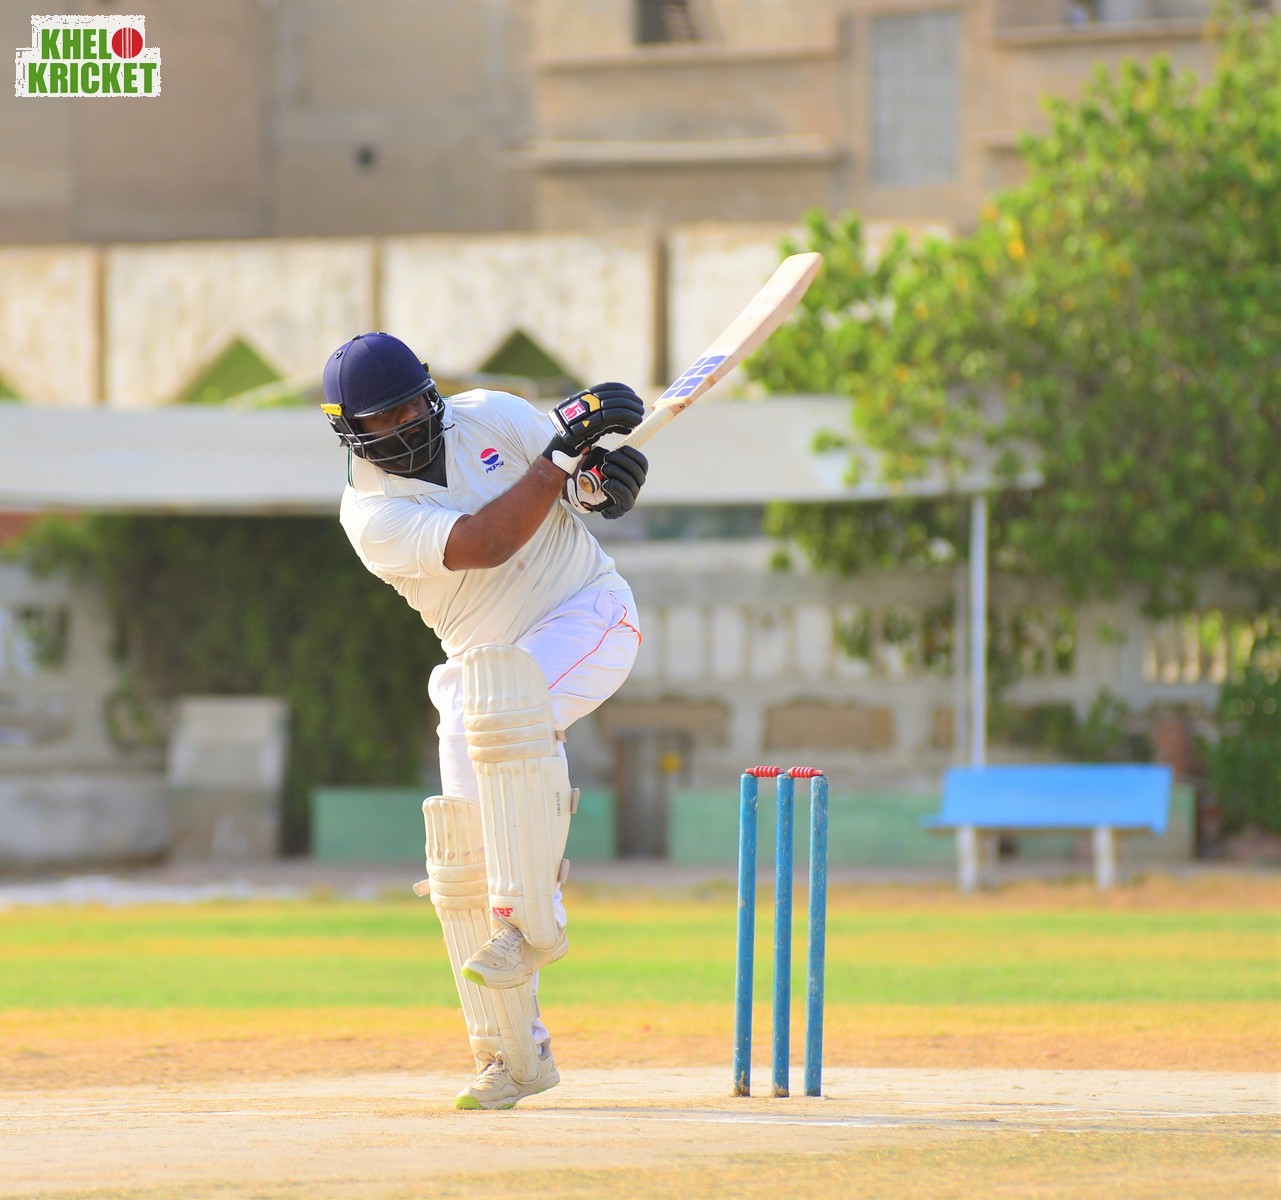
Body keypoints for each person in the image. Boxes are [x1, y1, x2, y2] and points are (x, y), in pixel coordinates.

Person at [320, 331, 649, 1110]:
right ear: (349, 431)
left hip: (587, 614)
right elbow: (485, 541)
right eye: (381, 418)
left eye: (410, 406)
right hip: (479, 667)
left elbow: (573, 488)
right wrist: (560, 457)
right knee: (460, 864)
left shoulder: (493, 414)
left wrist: (601, 485)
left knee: (509, 711)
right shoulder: (371, 512)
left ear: (430, 393)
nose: (402, 424)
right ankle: (513, 1057)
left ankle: (537, 919)